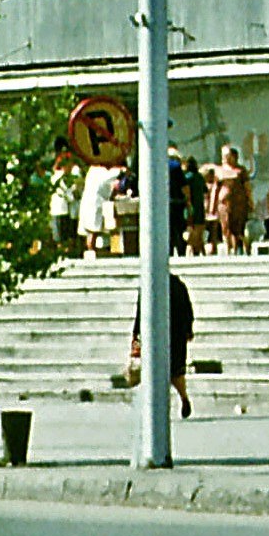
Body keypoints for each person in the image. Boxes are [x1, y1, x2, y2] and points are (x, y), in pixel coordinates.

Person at [131, 268, 196, 420]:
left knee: (160, 370)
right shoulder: (177, 284)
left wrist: (136, 333)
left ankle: (162, 405)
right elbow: (188, 309)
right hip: (176, 333)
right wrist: (188, 329)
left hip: (157, 333)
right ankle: (183, 397)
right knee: (176, 371)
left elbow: (140, 311)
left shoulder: (149, 285)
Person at [205, 145, 251, 256]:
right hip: (224, 204)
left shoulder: (241, 170)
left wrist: (250, 200)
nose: (224, 158)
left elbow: (247, 187)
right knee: (226, 227)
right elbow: (215, 188)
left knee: (238, 228)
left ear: (234, 156)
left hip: (239, 204)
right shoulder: (219, 171)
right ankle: (229, 249)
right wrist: (212, 206)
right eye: (223, 156)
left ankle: (240, 248)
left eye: (227, 155)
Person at [77, 158, 120, 257]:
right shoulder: (102, 170)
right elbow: (111, 178)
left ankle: (95, 250)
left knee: (94, 228)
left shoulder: (94, 169)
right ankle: (91, 250)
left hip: (94, 200)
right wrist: (122, 170)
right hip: (94, 201)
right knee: (92, 229)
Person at [46, 144, 80, 254]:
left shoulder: (73, 174)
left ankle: (69, 249)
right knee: (59, 231)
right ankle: (61, 250)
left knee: (68, 230)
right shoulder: (57, 176)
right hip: (58, 207)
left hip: (68, 208)